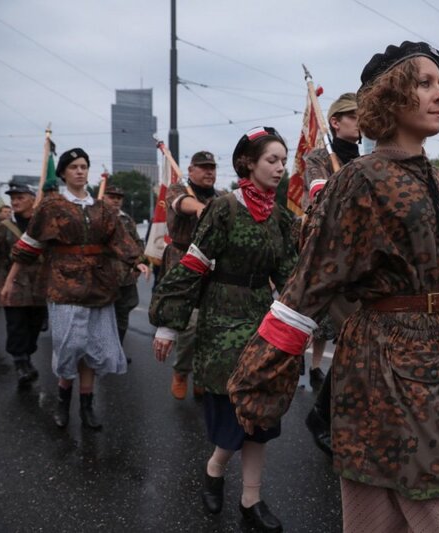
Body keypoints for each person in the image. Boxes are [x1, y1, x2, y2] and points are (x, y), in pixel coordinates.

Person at [227, 41, 439, 533]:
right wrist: (261, 376)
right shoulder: (358, 180)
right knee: (374, 515)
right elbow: (309, 285)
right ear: (390, 96)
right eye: (425, 83)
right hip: (374, 364)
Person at [151, 127, 296, 532]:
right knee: (233, 415)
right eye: (272, 160)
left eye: (284, 162)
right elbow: (194, 265)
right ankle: (215, 469)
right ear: (248, 163)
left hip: (262, 322)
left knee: (261, 414)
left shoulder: (282, 220)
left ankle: (251, 499)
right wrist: (167, 324)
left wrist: (308, 319)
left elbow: (289, 276)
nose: (280, 168)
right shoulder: (225, 209)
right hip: (220, 319)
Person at [2, 148, 147, 429]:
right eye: (74, 167)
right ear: (64, 173)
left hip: (98, 286)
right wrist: (10, 280)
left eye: (84, 166)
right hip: (64, 285)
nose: (80, 171)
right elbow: (30, 244)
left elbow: (120, 239)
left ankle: (87, 407)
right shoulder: (51, 206)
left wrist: (137, 260)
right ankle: (62, 404)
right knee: (71, 347)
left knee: (92, 348)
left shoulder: (101, 207)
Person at [301, 92, 362, 455]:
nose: (360, 121)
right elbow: (319, 194)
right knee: (355, 342)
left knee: (361, 346)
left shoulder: (367, 158)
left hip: (364, 263)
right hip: (335, 263)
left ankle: (345, 418)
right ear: (336, 122)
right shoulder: (320, 158)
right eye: (353, 116)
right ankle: (324, 416)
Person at [160, 150, 224, 400]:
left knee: (211, 327)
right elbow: (183, 205)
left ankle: (200, 374)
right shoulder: (178, 190)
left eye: (213, 167)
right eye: (203, 167)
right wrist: (202, 209)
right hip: (184, 263)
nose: (209, 172)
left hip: (213, 266)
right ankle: (181, 372)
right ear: (191, 170)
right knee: (189, 326)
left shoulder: (221, 197)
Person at [0, 183, 46, 386]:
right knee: (16, 327)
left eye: (20, 197)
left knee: (33, 327)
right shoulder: (3, 227)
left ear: (33, 199)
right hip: (12, 285)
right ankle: (20, 362)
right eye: (12, 198)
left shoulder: (43, 226)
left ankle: (27, 356)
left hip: (40, 286)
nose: (14, 201)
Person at [102, 184, 147, 361]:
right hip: (103, 278)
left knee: (122, 315)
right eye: (111, 196)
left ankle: (116, 351)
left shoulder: (127, 220)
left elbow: (137, 243)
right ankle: (103, 352)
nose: (115, 200)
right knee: (104, 316)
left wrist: (137, 265)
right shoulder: (97, 217)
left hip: (125, 278)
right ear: (104, 197)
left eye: (118, 198)